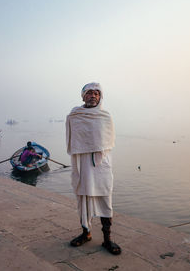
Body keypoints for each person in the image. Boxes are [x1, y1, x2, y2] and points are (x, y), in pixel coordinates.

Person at [66, 82, 121, 255]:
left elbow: (108, 140)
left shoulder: (105, 116)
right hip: (81, 163)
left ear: (100, 97)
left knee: (105, 199)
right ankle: (86, 233)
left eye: (97, 93)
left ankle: (107, 240)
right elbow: (72, 139)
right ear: (83, 96)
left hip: (101, 165)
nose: (93, 96)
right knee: (83, 199)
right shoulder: (75, 115)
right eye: (89, 93)